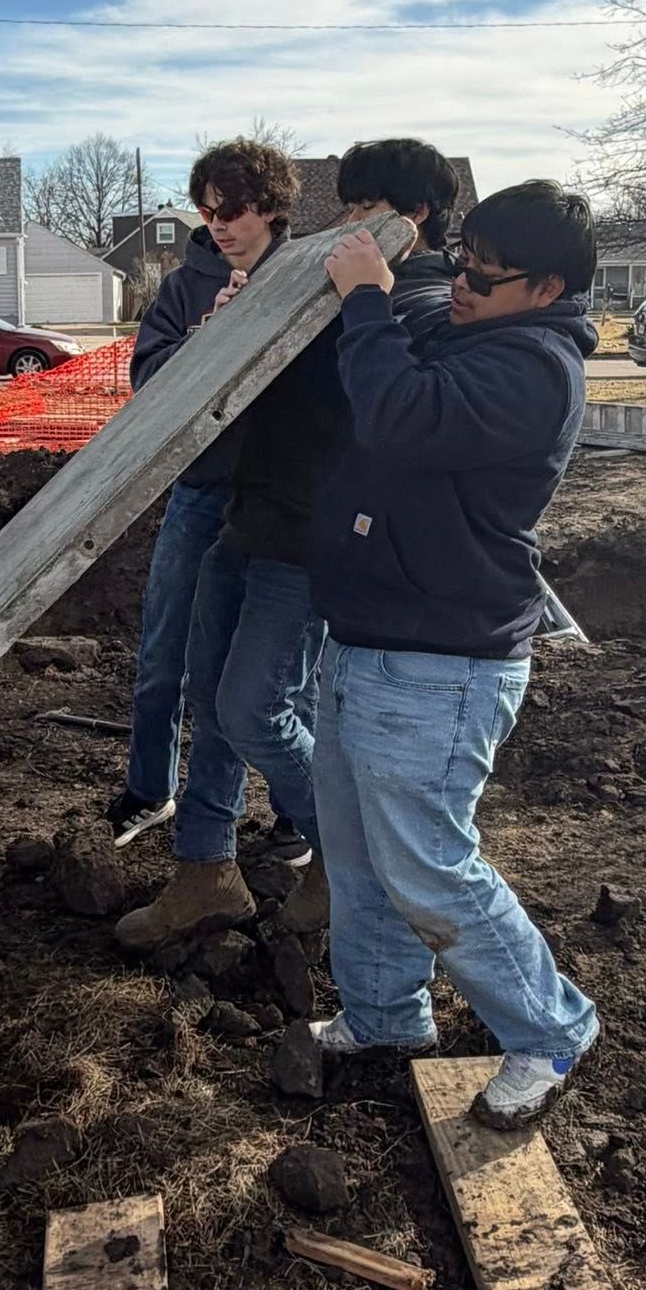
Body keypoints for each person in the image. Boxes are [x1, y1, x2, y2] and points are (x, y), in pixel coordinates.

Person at [115, 139, 460, 952]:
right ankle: (206, 869)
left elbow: (387, 407)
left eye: (366, 206)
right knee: (210, 693)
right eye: (345, 205)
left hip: (312, 536)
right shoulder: (321, 277)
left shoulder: (413, 298)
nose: (351, 222)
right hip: (252, 514)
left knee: (254, 707)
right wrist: (237, 330)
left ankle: (353, 858)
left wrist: (342, 308)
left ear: (412, 216)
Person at [307, 179, 601, 1130]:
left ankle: (552, 1029)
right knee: (358, 860)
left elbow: (401, 413)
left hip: (441, 664)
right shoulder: (476, 325)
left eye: (489, 270)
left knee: (430, 867)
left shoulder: (532, 370)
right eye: (465, 255)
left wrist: (364, 299)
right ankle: (387, 1017)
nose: (464, 280)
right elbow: (427, 301)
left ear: (547, 287)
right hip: (367, 643)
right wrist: (394, 267)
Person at [105, 139, 304, 855]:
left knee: (272, 677)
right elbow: (148, 376)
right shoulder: (185, 286)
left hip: (286, 507)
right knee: (163, 654)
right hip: (201, 492)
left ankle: (290, 817)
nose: (218, 223)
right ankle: (149, 792)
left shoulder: (309, 276)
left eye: (234, 209)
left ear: (273, 208)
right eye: (206, 209)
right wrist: (206, 339)